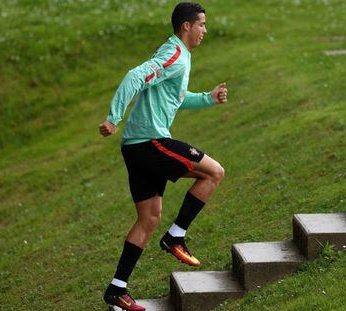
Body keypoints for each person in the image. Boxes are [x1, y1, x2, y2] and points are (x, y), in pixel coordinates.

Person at [99, 2, 228, 310]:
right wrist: (113, 118)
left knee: (149, 218)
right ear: (186, 26)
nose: (205, 30)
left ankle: (117, 289)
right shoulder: (173, 55)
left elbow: (176, 99)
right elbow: (134, 77)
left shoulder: (179, 56)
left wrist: (207, 99)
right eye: (201, 25)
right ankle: (176, 237)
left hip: (136, 145)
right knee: (214, 172)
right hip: (149, 141)